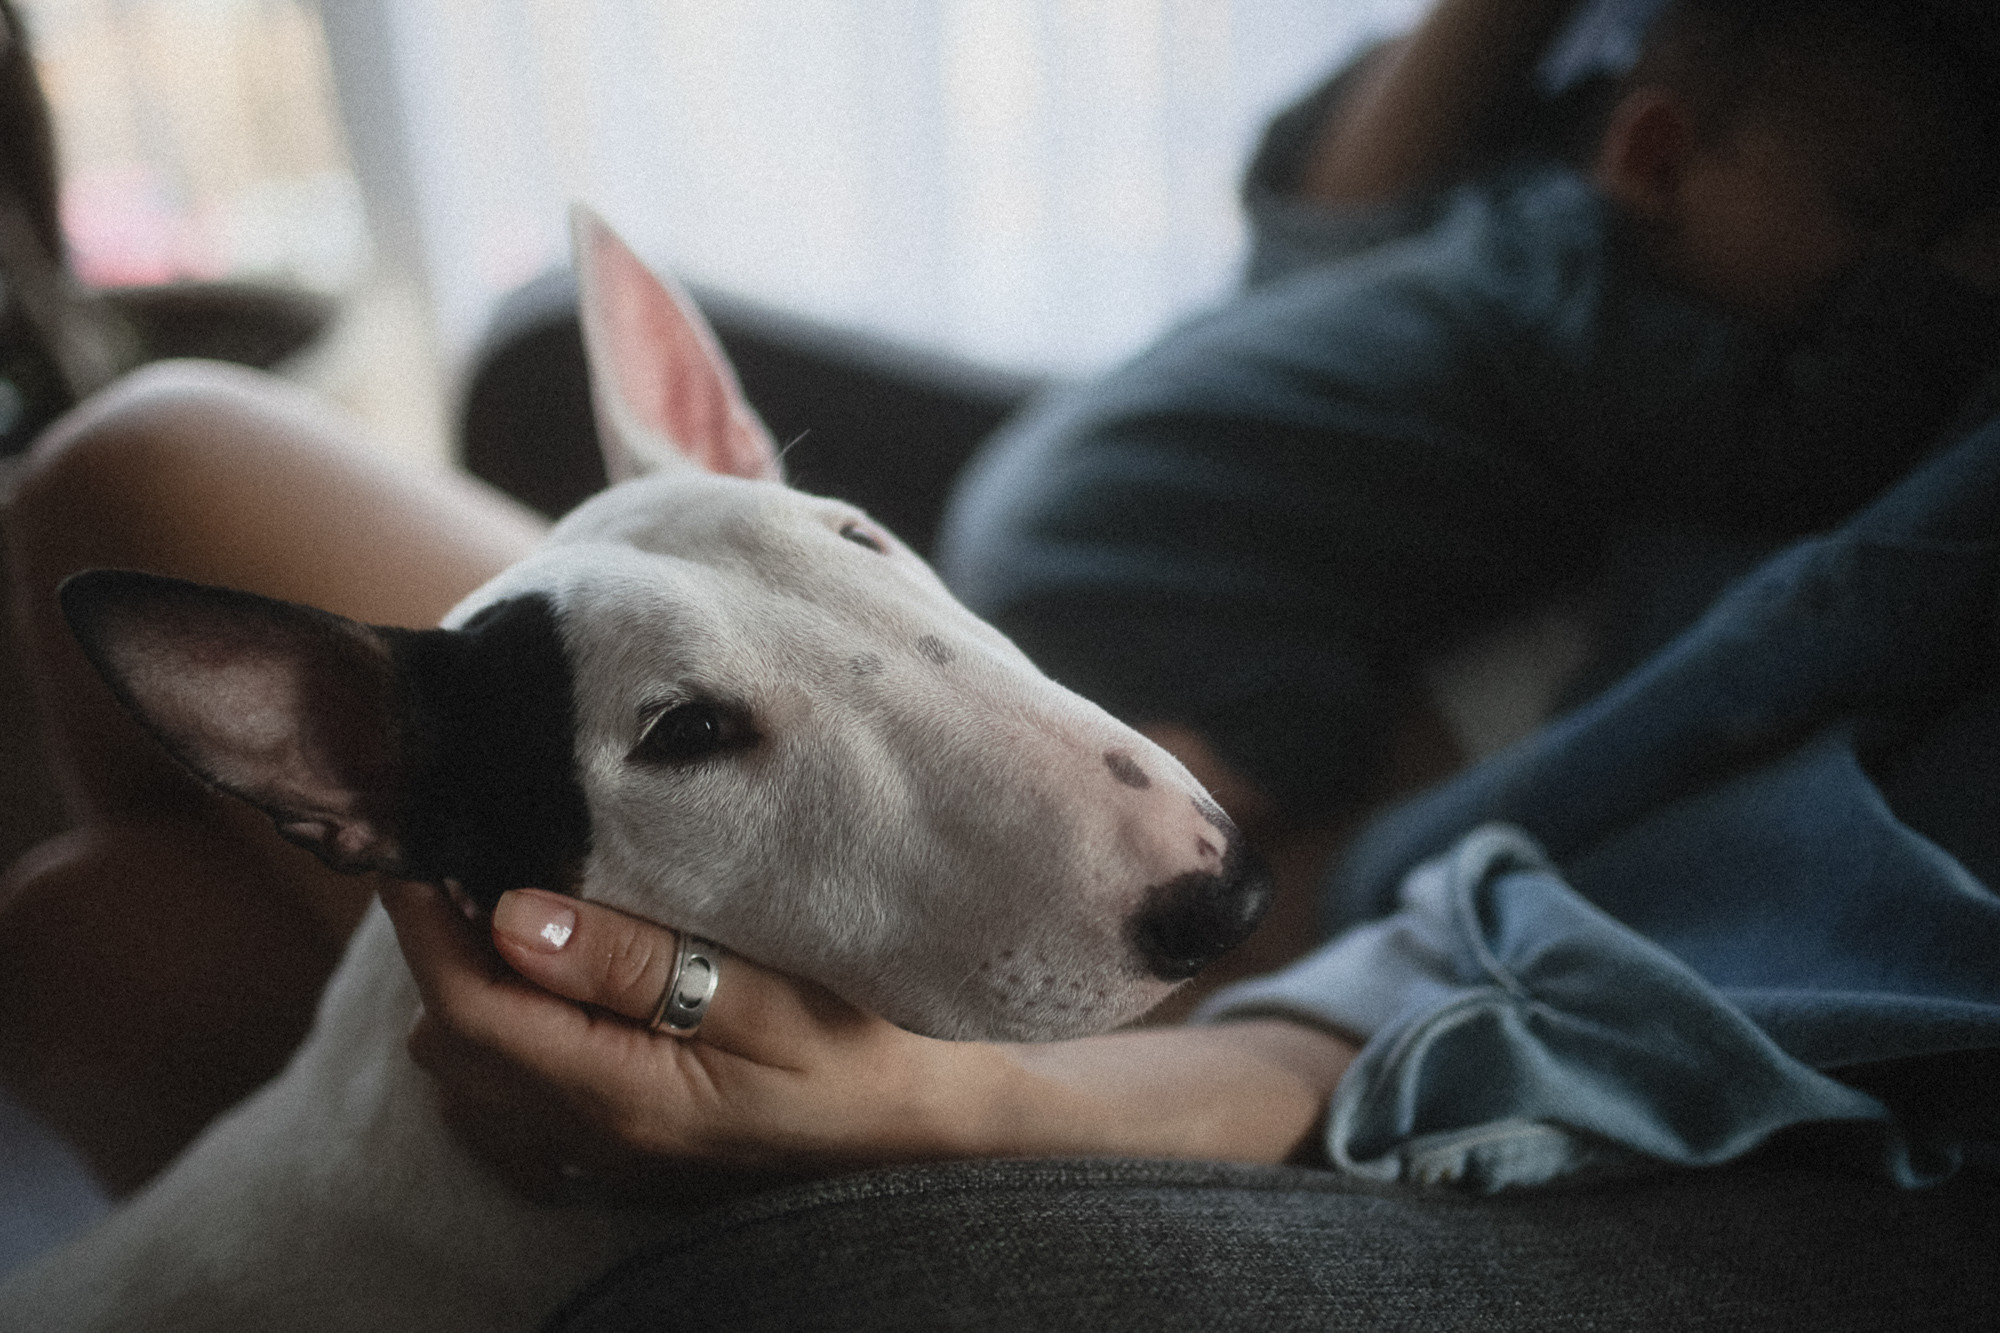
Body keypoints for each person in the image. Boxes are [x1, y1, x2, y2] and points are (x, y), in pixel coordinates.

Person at [2, 0, 1996, 1210]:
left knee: (132, 547)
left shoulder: (1810, 383)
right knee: (79, 922)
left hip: (1270, 831)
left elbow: (1786, 636)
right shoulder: (1592, 204)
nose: (1905, 255)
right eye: (1878, 219)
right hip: (1051, 585)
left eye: (1932, 231)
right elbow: (1316, 236)